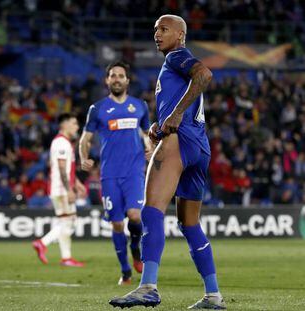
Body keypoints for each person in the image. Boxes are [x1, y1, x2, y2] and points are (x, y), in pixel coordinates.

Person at [109, 15, 226, 309]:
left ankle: (148, 286)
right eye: (155, 30)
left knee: (151, 211)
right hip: (199, 145)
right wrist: (161, 123)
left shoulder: (177, 56)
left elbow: (205, 75)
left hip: (180, 140)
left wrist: (172, 117)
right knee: (190, 224)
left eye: (164, 29)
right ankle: (213, 295)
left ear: (180, 35)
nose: (157, 35)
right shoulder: (173, 64)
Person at [79, 61, 152, 285]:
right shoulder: (97, 108)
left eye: (121, 75)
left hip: (134, 172)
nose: (117, 79)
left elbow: (146, 132)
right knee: (117, 224)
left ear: (127, 81)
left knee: (135, 215)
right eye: (113, 76)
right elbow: (86, 138)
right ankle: (125, 271)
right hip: (109, 174)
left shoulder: (140, 106)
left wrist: (149, 147)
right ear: (107, 80)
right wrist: (84, 157)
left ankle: (136, 250)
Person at [32, 113, 86, 267]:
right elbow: (62, 169)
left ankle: (66, 258)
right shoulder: (61, 143)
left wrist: (77, 183)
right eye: (74, 123)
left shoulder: (62, 142)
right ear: (64, 125)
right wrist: (69, 189)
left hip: (59, 187)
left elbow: (66, 168)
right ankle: (43, 242)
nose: (76, 127)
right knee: (70, 222)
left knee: (66, 221)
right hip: (61, 189)